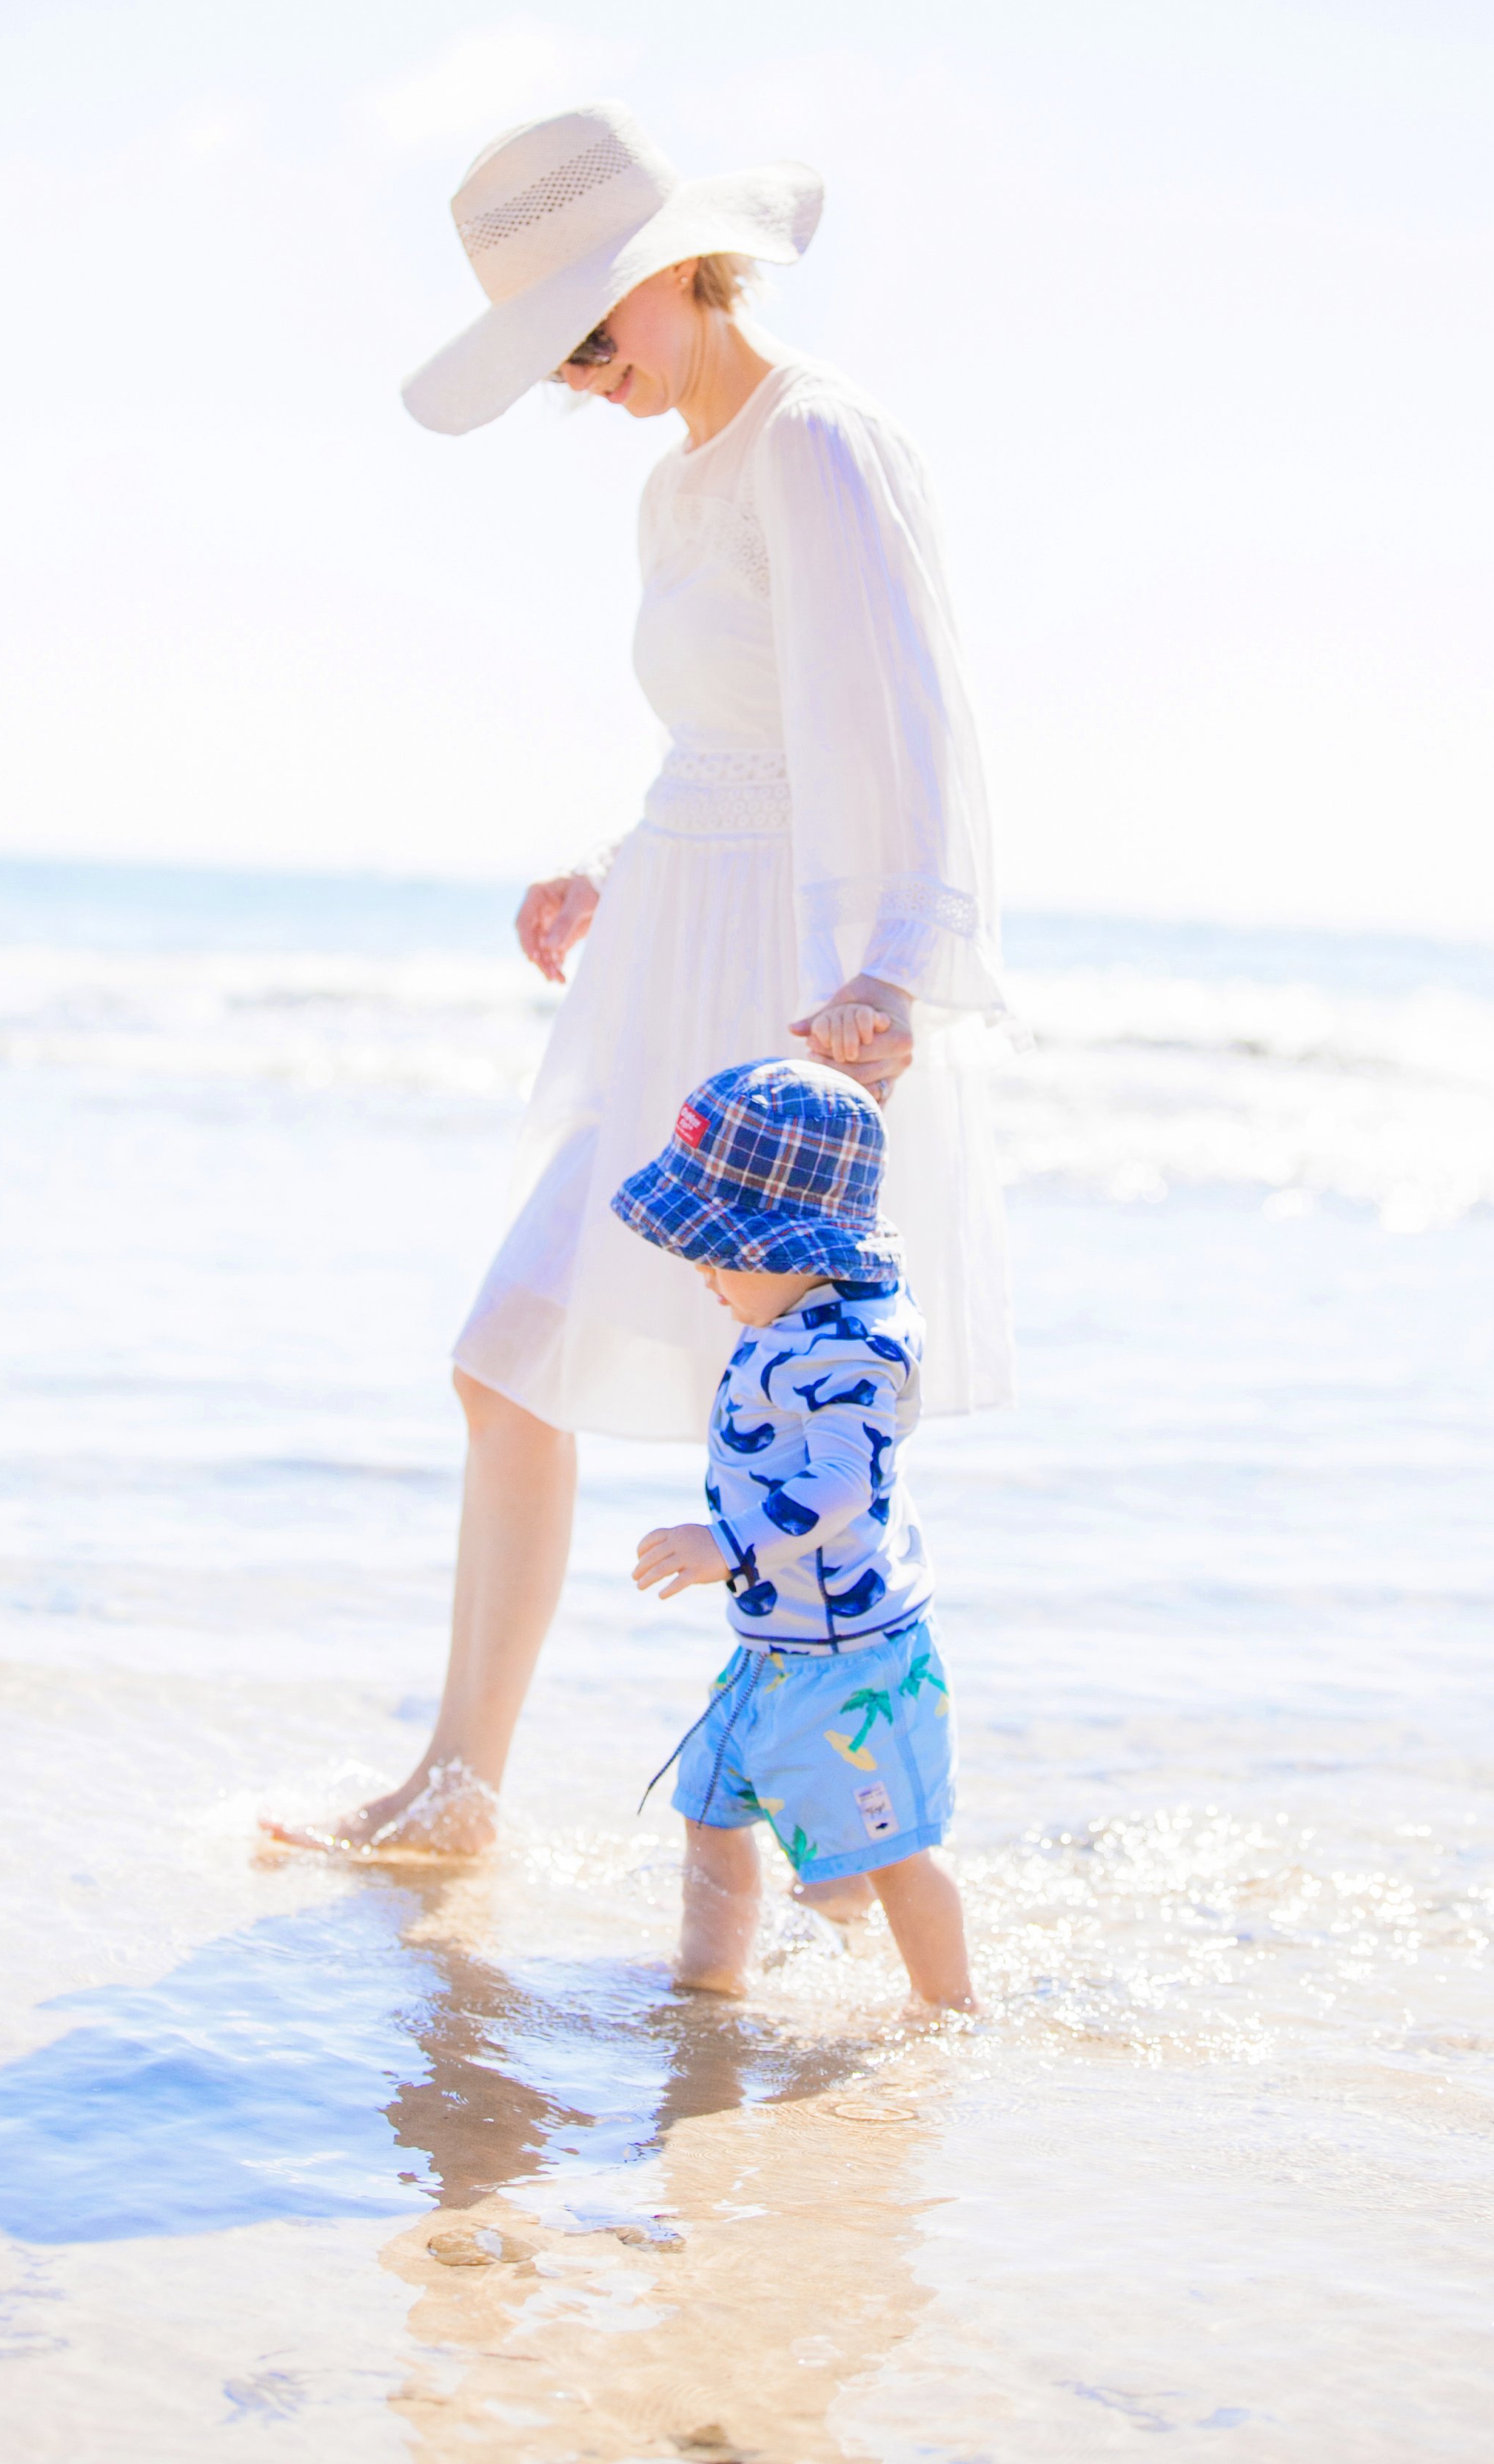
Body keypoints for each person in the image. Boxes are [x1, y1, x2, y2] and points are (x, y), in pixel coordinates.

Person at [282, 98, 1011, 1859]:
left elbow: (902, 727)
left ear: (683, 271)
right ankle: (461, 1791)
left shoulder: (817, 441)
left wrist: (894, 981)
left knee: (771, 1421)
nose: (579, 374)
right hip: (672, 954)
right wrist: (604, 873)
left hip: (786, 998)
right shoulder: (678, 481)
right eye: (555, 354)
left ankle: (856, 1854)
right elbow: (735, 741)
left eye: (588, 330)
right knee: (511, 1361)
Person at [618, 1057, 974, 2012]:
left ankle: (949, 2010)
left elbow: (842, 1487)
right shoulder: (800, 1307)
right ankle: (707, 1988)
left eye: (719, 1245)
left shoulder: (851, 1348)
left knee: (896, 1850)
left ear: (798, 1245)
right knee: (708, 1809)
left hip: (852, 1661)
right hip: (771, 1649)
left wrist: (725, 1543)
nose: (701, 1266)